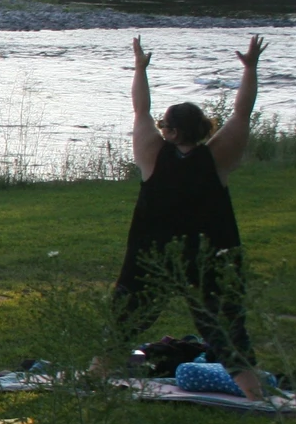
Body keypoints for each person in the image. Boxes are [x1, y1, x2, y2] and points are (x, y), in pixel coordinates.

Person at [113, 35, 268, 399]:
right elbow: (242, 113)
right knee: (226, 329)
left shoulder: (152, 154)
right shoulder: (217, 158)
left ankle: (93, 377)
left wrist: (139, 67)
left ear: (172, 131)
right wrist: (250, 69)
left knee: (124, 321)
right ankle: (255, 396)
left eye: (166, 125)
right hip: (209, 252)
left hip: (154, 252)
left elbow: (141, 110)